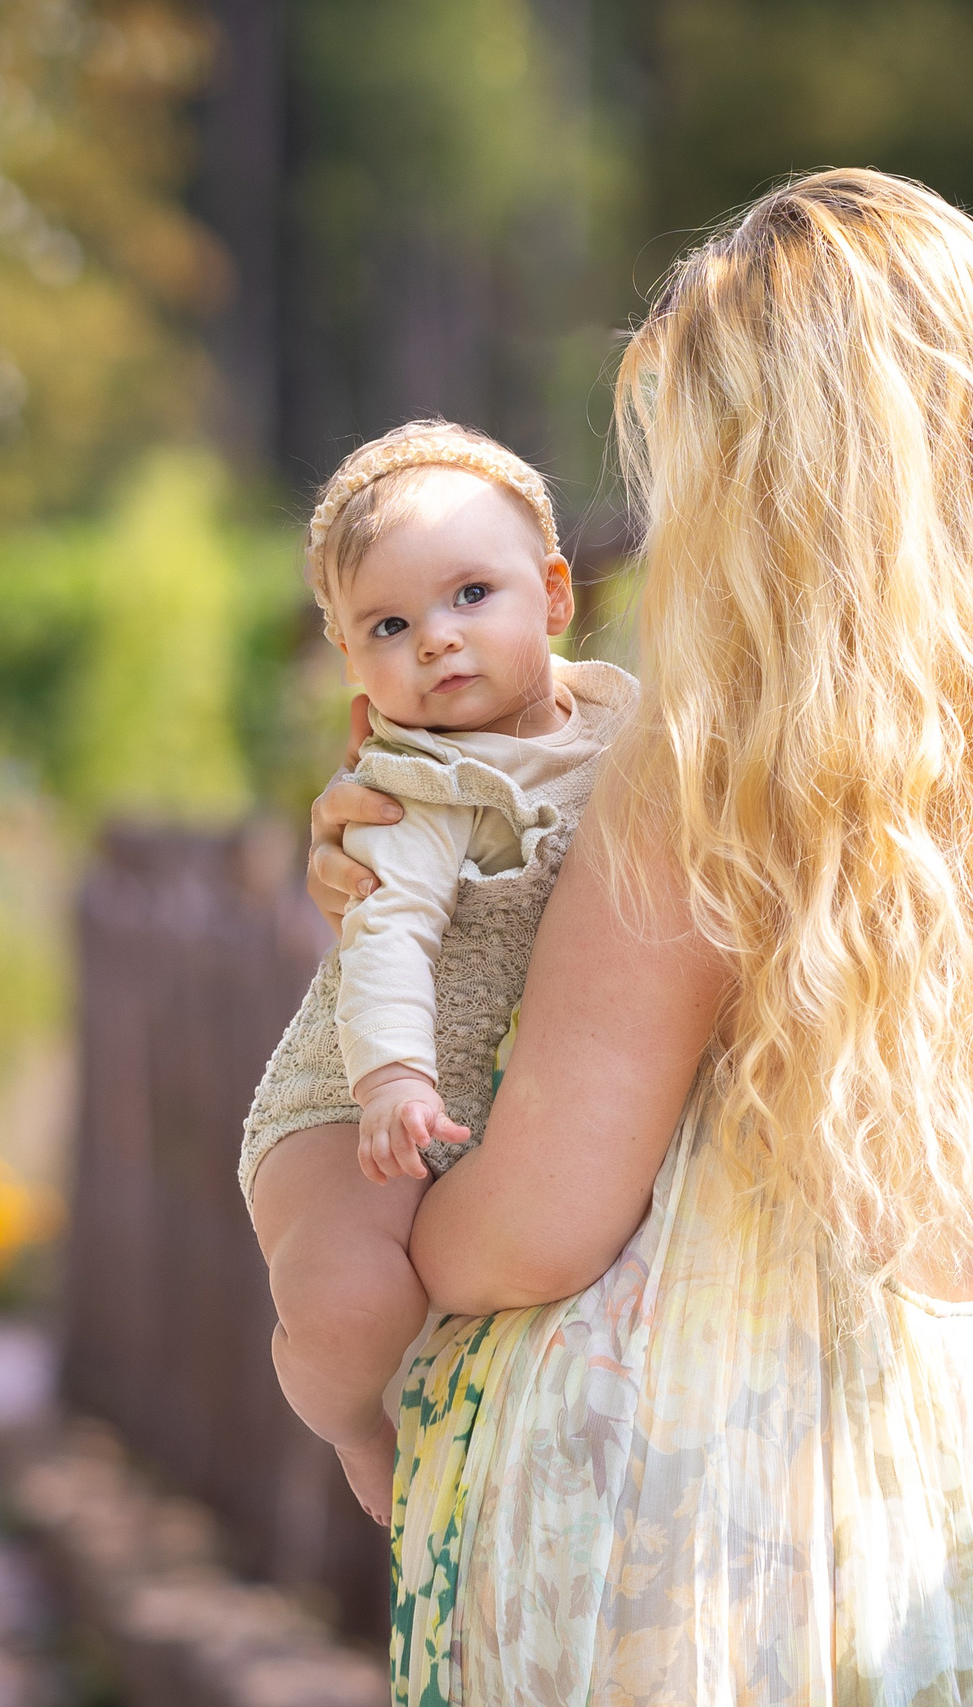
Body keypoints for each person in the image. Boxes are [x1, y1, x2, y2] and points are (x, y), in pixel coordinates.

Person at [305, 169, 973, 1702]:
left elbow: (536, 1220)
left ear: (774, 492)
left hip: (671, 1524)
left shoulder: (702, 789)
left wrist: (396, 1262)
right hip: (918, 1486)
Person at [241, 419, 637, 1526]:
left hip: (493, 1102)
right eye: (390, 624)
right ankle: (350, 1422)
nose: (437, 642)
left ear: (555, 596)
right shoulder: (414, 788)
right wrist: (390, 1084)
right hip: (353, 1101)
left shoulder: (629, 734)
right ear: (348, 658)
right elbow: (387, 939)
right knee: (352, 1300)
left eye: (472, 596)